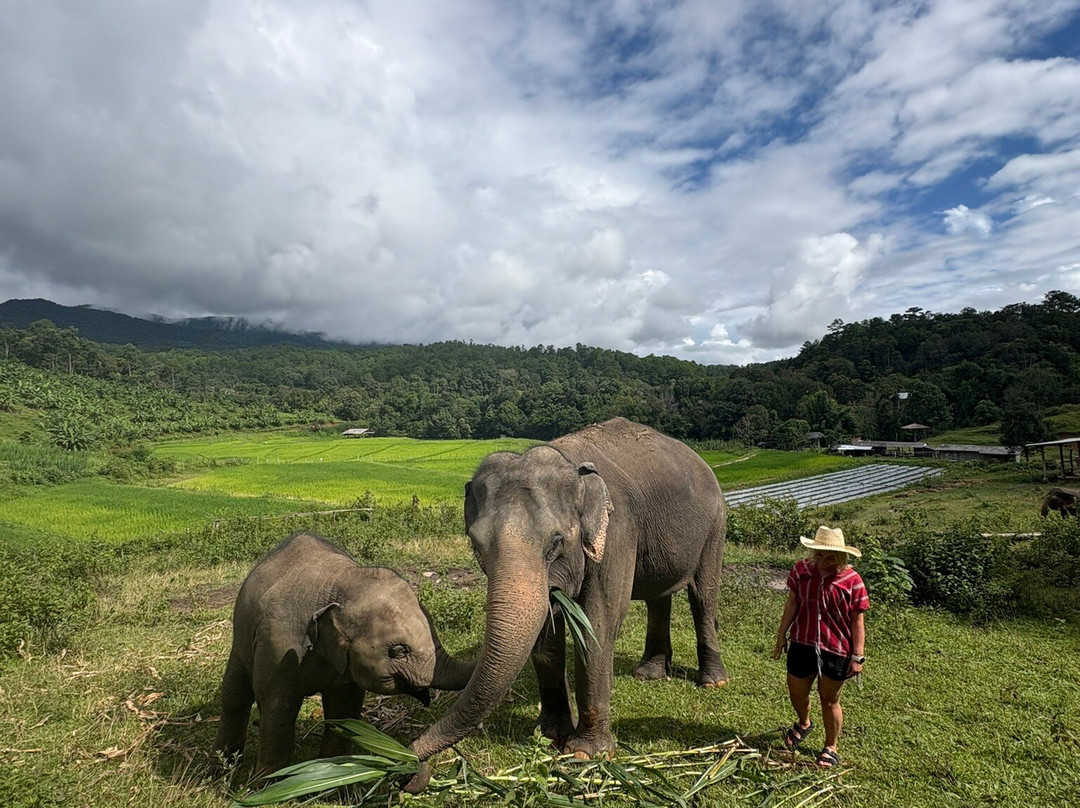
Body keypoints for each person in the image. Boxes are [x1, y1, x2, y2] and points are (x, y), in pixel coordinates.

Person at [771, 526, 869, 769]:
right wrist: (781, 635)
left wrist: (857, 656)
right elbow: (792, 603)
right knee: (796, 692)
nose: (824, 561)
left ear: (842, 556)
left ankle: (831, 746)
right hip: (802, 643)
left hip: (836, 649)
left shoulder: (852, 581)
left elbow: (857, 620)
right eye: (820, 555)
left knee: (829, 700)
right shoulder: (801, 570)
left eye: (831, 557)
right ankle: (804, 723)